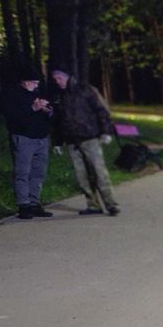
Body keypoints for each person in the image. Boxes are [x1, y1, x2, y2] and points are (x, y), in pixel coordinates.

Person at [49, 66, 120, 217]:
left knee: (99, 173)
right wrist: (57, 142)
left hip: (90, 138)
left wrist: (106, 131)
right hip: (72, 142)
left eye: (59, 78)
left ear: (68, 77)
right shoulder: (58, 96)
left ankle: (111, 204)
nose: (57, 81)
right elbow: (57, 121)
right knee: (82, 176)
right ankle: (93, 205)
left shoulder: (86, 90)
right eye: (55, 79)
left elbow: (102, 111)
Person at [2, 65, 56, 220]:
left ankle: (34, 202)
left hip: (42, 138)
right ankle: (23, 205)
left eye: (37, 83)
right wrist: (32, 108)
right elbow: (13, 119)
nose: (36, 85)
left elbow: (50, 115)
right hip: (24, 138)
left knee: (38, 172)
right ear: (24, 82)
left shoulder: (38, 94)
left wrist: (49, 111)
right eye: (33, 82)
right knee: (22, 172)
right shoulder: (13, 95)